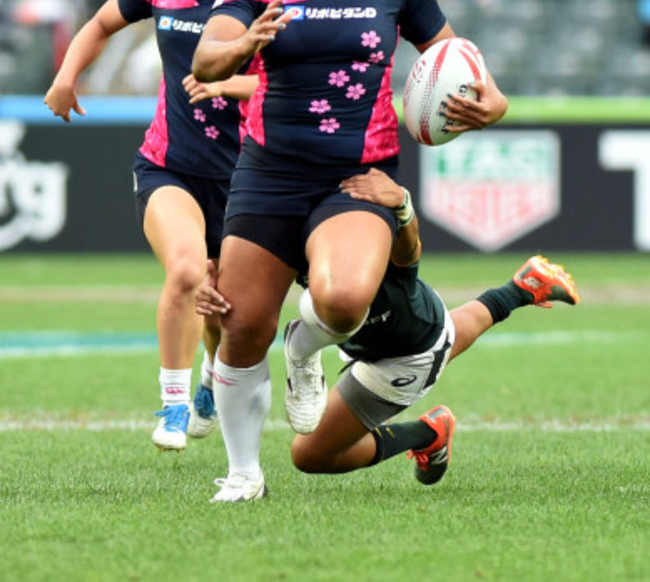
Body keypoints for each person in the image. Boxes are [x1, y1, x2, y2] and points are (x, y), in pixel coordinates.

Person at [191, 0, 508, 502]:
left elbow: (459, 60)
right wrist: (243, 44)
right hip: (268, 175)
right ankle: (244, 473)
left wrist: (492, 103)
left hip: (358, 177)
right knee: (242, 325)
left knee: (341, 300)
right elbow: (207, 58)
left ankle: (303, 350)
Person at [44, 0, 266, 452]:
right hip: (169, 166)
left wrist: (233, 82)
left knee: (226, 311)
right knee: (190, 272)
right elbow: (98, 25)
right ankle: (172, 406)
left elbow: (288, 82)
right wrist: (68, 78)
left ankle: (213, 387)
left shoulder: (268, 1)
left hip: (248, 179)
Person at [197, 168, 580, 486]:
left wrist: (402, 204)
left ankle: (429, 433)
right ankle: (520, 288)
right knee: (442, 334)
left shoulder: (365, 223)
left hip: (403, 355)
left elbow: (410, 251)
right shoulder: (292, 221)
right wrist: (213, 285)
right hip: (394, 327)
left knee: (310, 454)